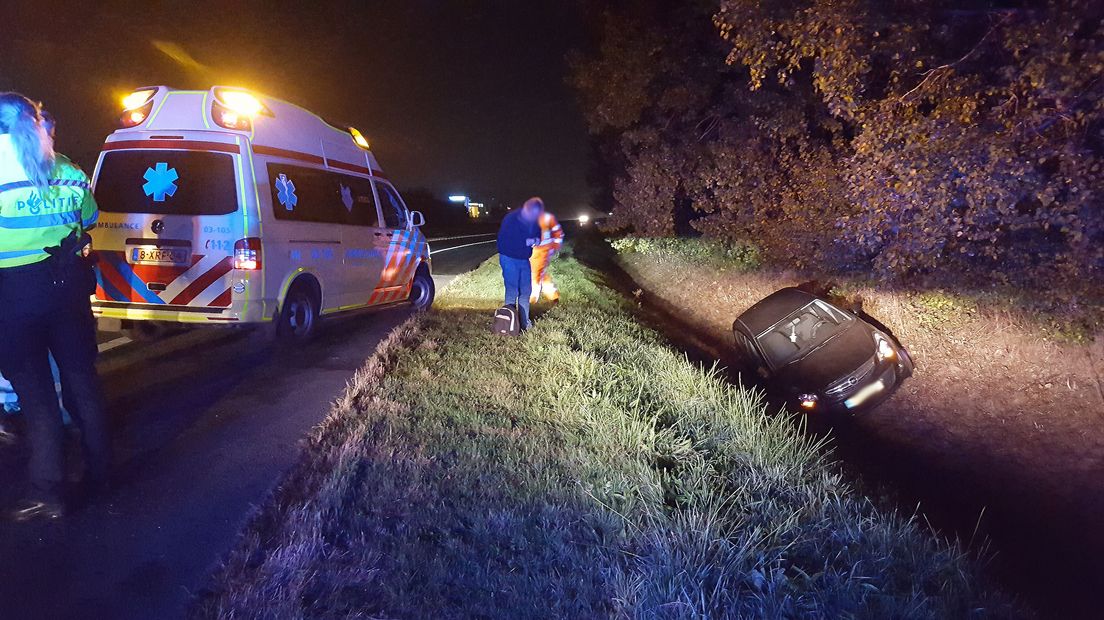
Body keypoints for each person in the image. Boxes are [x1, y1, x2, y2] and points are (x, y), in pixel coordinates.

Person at [0, 93, 110, 522]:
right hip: (67, 292)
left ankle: (49, 494)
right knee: (83, 381)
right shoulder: (70, 171)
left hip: (14, 297)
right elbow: (89, 220)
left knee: (38, 398)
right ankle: (101, 474)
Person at [496, 197, 544, 330]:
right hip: (509, 258)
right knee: (512, 290)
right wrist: (526, 241)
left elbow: (538, 234)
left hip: (524, 259)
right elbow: (504, 240)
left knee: (526, 290)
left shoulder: (534, 220)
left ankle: (524, 323)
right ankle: (509, 325)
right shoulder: (511, 218)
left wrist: (537, 239)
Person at [529, 209, 564, 303]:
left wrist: (555, 246)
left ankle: (533, 298)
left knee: (535, 273)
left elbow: (557, 232)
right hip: (540, 249)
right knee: (541, 273)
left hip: (541, 250)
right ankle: (553, 294)